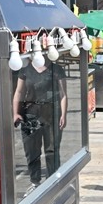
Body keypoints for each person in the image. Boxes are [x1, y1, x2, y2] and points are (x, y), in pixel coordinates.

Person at [13, 60, 67, 188]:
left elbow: (63, 94)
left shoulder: (56, 70)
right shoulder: (25, 71)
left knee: (52, 149)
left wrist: (63, 114)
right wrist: (15, 113)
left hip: (51, 113)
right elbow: (19, 92)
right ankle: (35, 181)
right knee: (31, 150)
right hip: (30, 114)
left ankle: (52, 180)